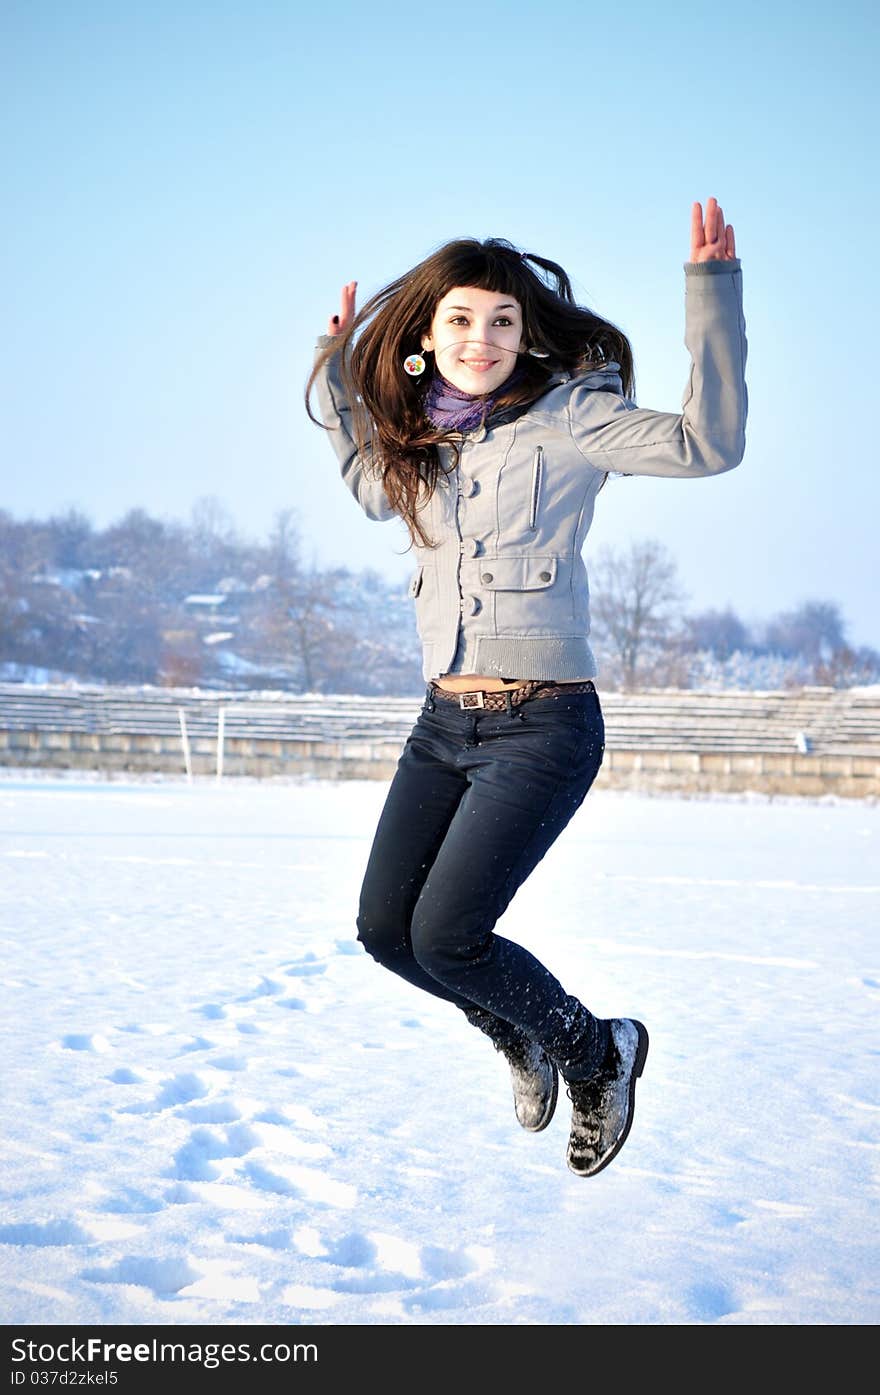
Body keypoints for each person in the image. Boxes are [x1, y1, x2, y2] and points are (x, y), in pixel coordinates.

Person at [305, 199, 747, 1177]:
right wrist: (336, 373)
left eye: (501, 321)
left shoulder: (571, 419)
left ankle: (598, 1053)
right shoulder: (421, 441)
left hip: (541, 724)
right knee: (387, 934)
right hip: (441, 724)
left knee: (449, 936)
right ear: (426, 334)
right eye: (460, 320)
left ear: (524, 336)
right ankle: (521, 1033)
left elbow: (706, 445)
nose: (480, 338)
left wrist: (710, 294)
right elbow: (365, 483)